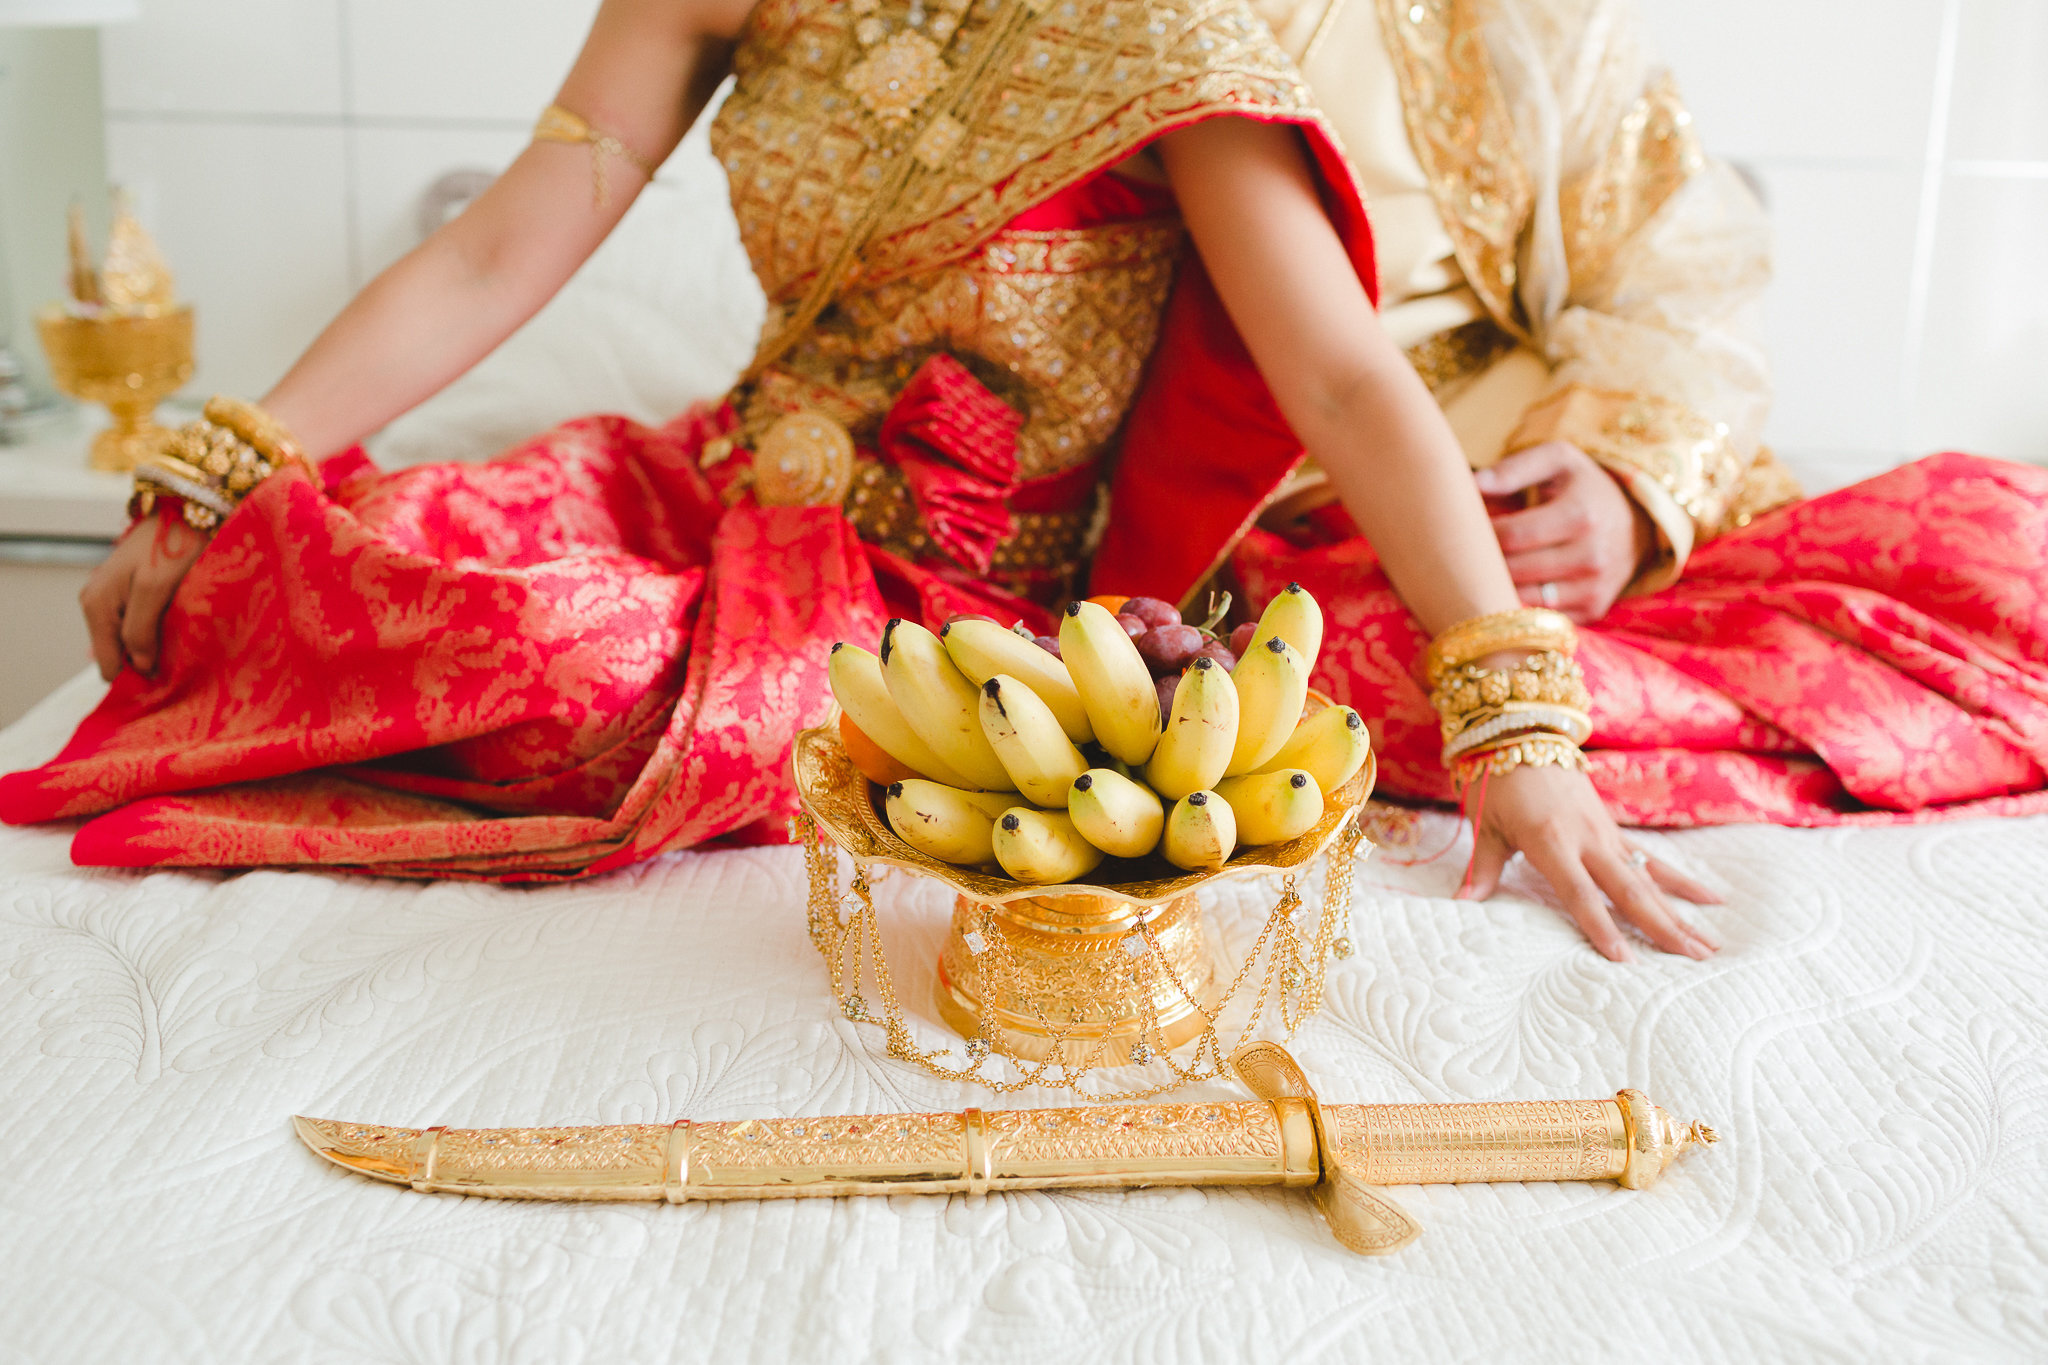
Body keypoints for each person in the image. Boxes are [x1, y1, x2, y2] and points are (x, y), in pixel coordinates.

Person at [1, 0, 2036, 961]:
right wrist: (225, 455)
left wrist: (1514, 711)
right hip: (754, 487)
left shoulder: (1163, 13)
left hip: (996, 586)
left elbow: (1334, 362)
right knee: (322, 581)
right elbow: (500, 245)